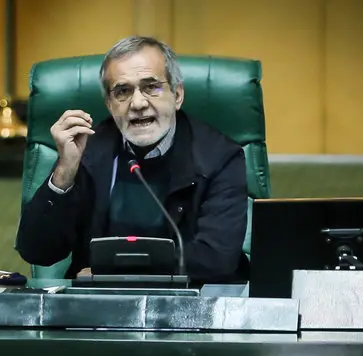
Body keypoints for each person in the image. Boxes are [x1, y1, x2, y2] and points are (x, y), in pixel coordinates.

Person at [16, 36, 249, 284]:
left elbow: (217, 259)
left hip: (190, 298)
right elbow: (38, 251)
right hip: (100, 302)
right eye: (123, 91)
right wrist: (65, 173)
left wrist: (112, 273)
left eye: (152, 87)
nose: (138, 103)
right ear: (109, 104)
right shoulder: (88, 151)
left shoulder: (219, 157)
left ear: (177, 95)